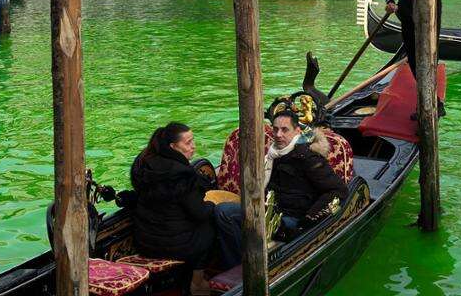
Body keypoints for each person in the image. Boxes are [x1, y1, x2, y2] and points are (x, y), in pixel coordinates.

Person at [215, 111, 348, 269]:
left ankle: (240, 269)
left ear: (297, 131)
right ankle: (237, 266)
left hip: (291, 219)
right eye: (275, 129)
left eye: (284, 130)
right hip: (268, 210)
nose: (278, 134)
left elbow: (338, 191)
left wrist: (308, 220)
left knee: (226, 213)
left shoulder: (308, 158)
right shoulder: (272, 155)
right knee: (221, 211)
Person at [129, 122, 218, 268]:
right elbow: (199, 213)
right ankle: (198, 279)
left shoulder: (144, 166)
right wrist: (212, 204)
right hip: (174, 247)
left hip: (144, 242)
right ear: (173, 147)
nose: (193, 146)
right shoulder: (182, 175)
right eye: (188, 143)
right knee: (209, 226)